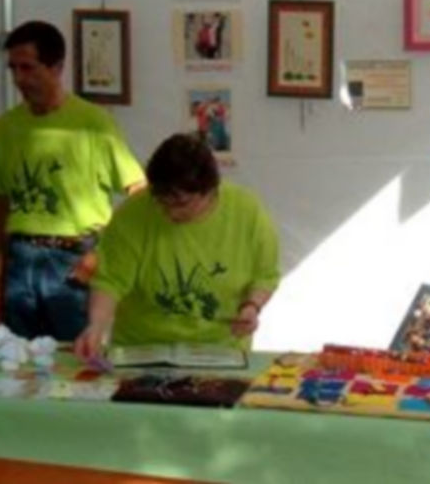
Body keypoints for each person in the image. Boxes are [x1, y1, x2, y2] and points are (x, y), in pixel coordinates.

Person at [0, 21, 145, 341]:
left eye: (28, 67)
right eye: (13, 69)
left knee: (74, 365)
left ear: (57, 67)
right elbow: (1, 202)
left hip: (73, 258)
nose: (19, 79)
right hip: (21, 257)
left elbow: (139, 193)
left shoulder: (94, 124)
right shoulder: (6, 128)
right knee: (19, 363)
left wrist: (101, 256)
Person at [74, 133, 280, 360]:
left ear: (210, 190)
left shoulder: (247, 213)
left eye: (181, 203)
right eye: (161, 201)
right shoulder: (133, 213)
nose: (170, 213)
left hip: (220, 351)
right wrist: (96, 326)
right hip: (141, 350)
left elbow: (265, 274)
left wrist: (251, 306)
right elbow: (110, 280)